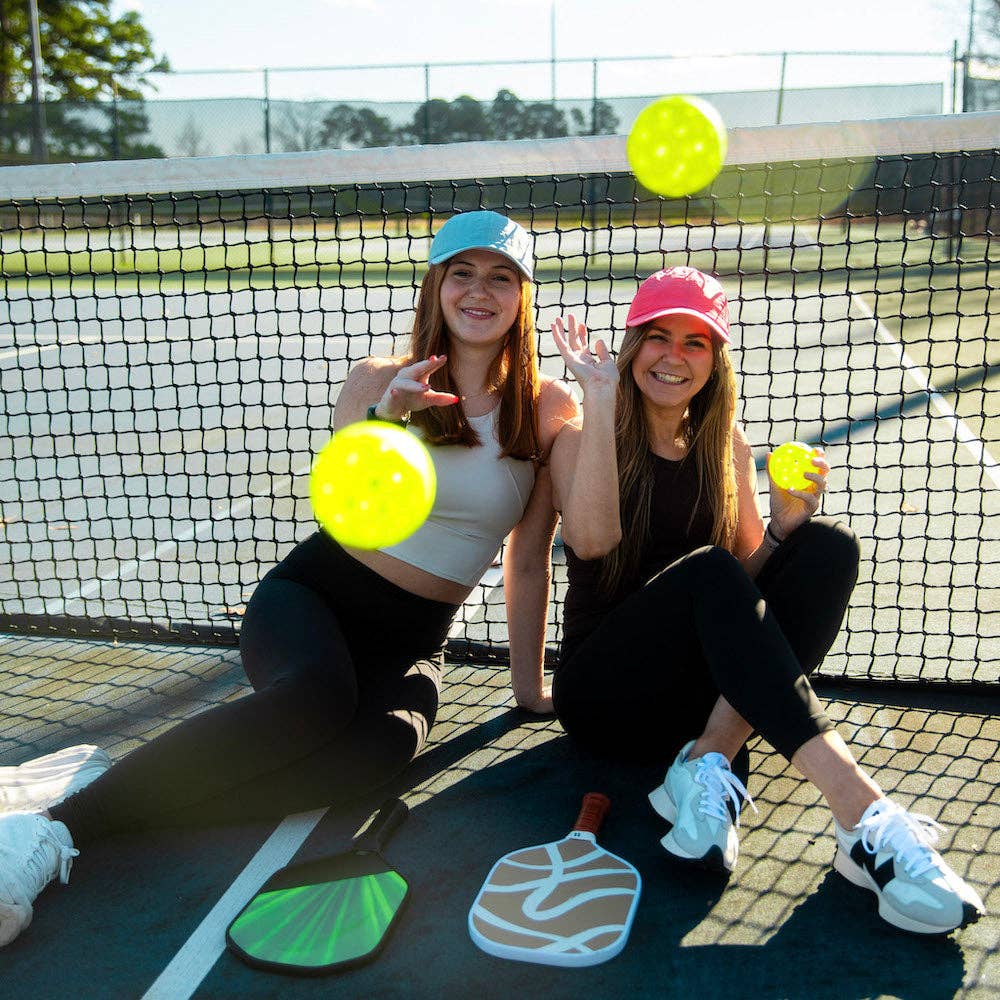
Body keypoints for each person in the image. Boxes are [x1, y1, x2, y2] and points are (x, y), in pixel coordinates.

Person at [0, 210, 577, 947]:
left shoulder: (552, 409)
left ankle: (105, 791)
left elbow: (529, 559)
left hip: (411, 642)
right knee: (313, 701)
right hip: (315, 599)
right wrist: (387, 422)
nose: (479, 291)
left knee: (374, 759)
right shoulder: (376, 379)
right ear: (435, 286)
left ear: (522, 297)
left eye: (501, 277)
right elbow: (354, 515)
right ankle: (50, 835)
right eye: (461, 272)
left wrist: (528, 692)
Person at [547, 265, 985, 936]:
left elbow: (746, 586)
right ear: (633, 346)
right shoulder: (582, 433)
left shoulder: (725, 444)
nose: (674, 356)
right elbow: (593, 541)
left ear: (715, 359)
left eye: (695, 343)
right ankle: (862, 817)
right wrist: (600, 397)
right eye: (659, 336)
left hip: (693, 700)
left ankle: (706, 760)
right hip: (605, 699)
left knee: (825, 547)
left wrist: (782, 527)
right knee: (710, 571)